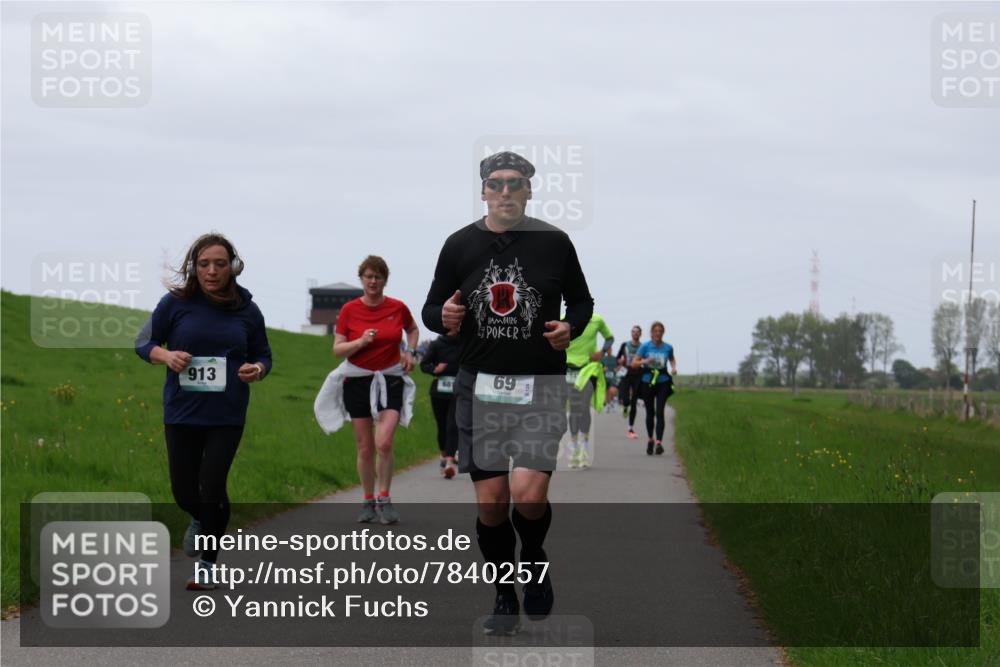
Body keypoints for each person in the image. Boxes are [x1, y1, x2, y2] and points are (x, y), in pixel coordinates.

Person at [422, 151, 593, 635]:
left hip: (540, 383)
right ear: (482, 191)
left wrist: (570, 326)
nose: (505, 192)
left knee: (528, 494)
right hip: (481, 386)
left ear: (528, 191)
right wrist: (443, 318)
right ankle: (503, 592)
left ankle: (533, 557)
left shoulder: (555, 242)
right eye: (496, 183)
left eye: (515, 184)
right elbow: (433, 307)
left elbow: (581, 300)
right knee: (493, 502)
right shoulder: (459, 245)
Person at [135, 233, 272, 590]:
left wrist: (256, 370)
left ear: (233, 267)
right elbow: (143, 343)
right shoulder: (175, 303)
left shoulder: (247, 309)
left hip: (227, 414)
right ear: (194, 267)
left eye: (220, 264)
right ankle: (202, 518)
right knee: (184, 491)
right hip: (182, 411)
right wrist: (166, 355)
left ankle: (208, 565)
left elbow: (264, 355)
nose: (212, 271)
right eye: (204, 264)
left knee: (212, 485)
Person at [331, 256, 418, 524]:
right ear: (362, 279)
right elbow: (337, 349)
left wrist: (410, 351)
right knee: (365, 447)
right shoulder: (349, 310)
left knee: (384, 442)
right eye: (368, 276)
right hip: (357, 381)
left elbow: (412, 330)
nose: (373, 281)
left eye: (378, 277)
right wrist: (359, 342)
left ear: (385, 280)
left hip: (389, 379)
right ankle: (367, 500)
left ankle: (385, 498)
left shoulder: (397, 307)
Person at [563, 314, 613, 469]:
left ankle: (584, 446)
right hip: (569, 368)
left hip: (588, 368)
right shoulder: (563, 318)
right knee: (574, 408)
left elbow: (609, 338)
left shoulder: (597, 320)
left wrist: (602, 352)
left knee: (584, 407)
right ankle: (574, 447)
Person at [632, 321, 677, 455]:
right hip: (648, 381)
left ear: (663, 332)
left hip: (663, 381)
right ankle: (651, 439)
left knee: (660, 411)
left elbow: (672, 359)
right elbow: (635, 363)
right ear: (651, 333)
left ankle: (659, 443)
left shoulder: (668, 347)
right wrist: (645, 361)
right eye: (655, 331)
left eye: (660, 331)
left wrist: (674, 368)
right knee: (650, 413)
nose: (658, 333)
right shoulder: (645, 347)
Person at [420, 334, 461, 478]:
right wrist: (435, 369)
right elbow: (424, 365)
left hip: (458, 391)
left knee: (452, 425)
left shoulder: (465, 343)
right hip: (439, 392)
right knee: (442, 426)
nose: (454, 329)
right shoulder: (437, 344)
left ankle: (449, 462)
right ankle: (444, 456)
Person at [617, 325, 644, 438]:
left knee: (634, 401)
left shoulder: (643, 347)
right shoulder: (625, 345)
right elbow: (617, 358)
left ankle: (630, 428)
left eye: (637, 332)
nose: (635, 334)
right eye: (633, 332)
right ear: (631, 333)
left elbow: (646, 359)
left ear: (640, 334)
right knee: (626, 400)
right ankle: (624, 406)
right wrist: (620, 361)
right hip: (626, 373)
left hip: (638, 374)